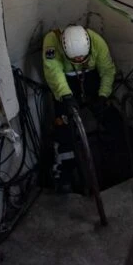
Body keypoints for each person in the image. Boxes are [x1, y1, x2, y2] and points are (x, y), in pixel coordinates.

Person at [42, 24, 116, 192]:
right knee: (64, 125)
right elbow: (53, 72)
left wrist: (103, 95)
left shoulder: (97, 42)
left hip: (89, 77)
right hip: (65, 82)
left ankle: (115, 155)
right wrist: (66, 96)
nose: (77, 61)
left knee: (108, 114)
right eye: (74, 59)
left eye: (81, 58)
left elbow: (107, 70)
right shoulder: (52, 41)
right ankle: (65, 171)